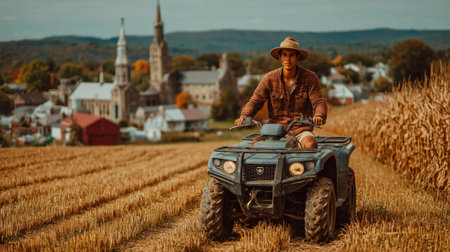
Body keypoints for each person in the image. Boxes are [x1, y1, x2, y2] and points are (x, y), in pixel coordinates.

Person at [235, 37, 327, 148]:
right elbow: (256, 101)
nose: (288, 59)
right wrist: (244, 116)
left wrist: (319, 115)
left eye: (292, 55)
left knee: (311, 144)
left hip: (300, 129)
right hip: (274, 130)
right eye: (284, 55)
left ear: (297, 57)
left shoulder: (310, 77)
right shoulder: (269, 78)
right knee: (257, 146)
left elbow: (318, 101)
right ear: (279, 57)